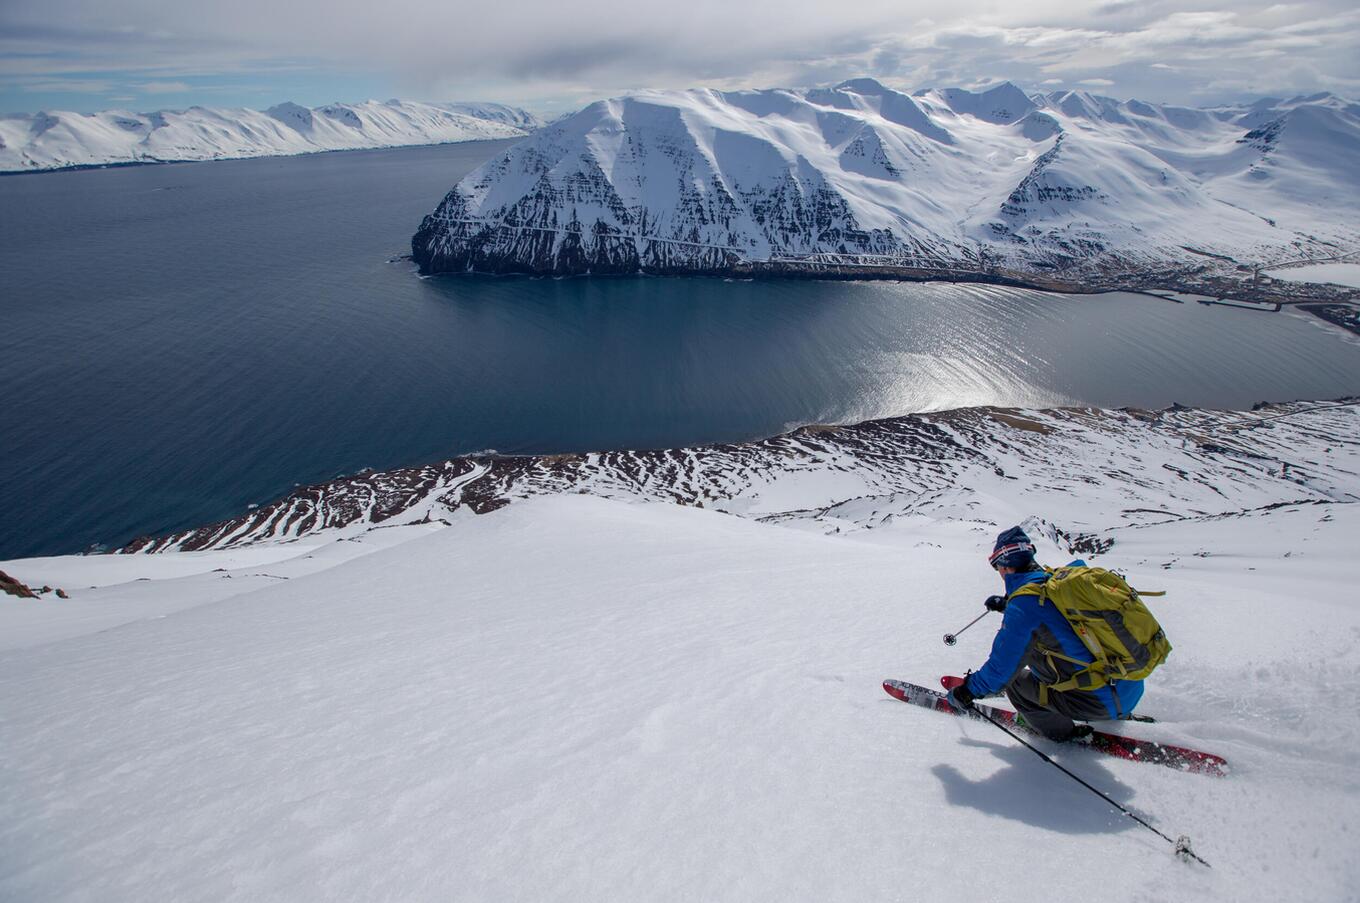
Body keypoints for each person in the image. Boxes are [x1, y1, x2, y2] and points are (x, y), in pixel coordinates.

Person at [944, 526, 1145, 741]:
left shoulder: (1025, 606)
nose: (998, 572)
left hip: (1097, 704)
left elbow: (1000, 670)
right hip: (1128, 687)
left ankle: (1064, 734)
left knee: (1016, 684)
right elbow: (1052, 617)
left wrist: (967, 692)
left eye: (996, 566)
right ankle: (1115, 708)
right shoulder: (1057, 584)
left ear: (1005, 564)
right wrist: (1009, 604)